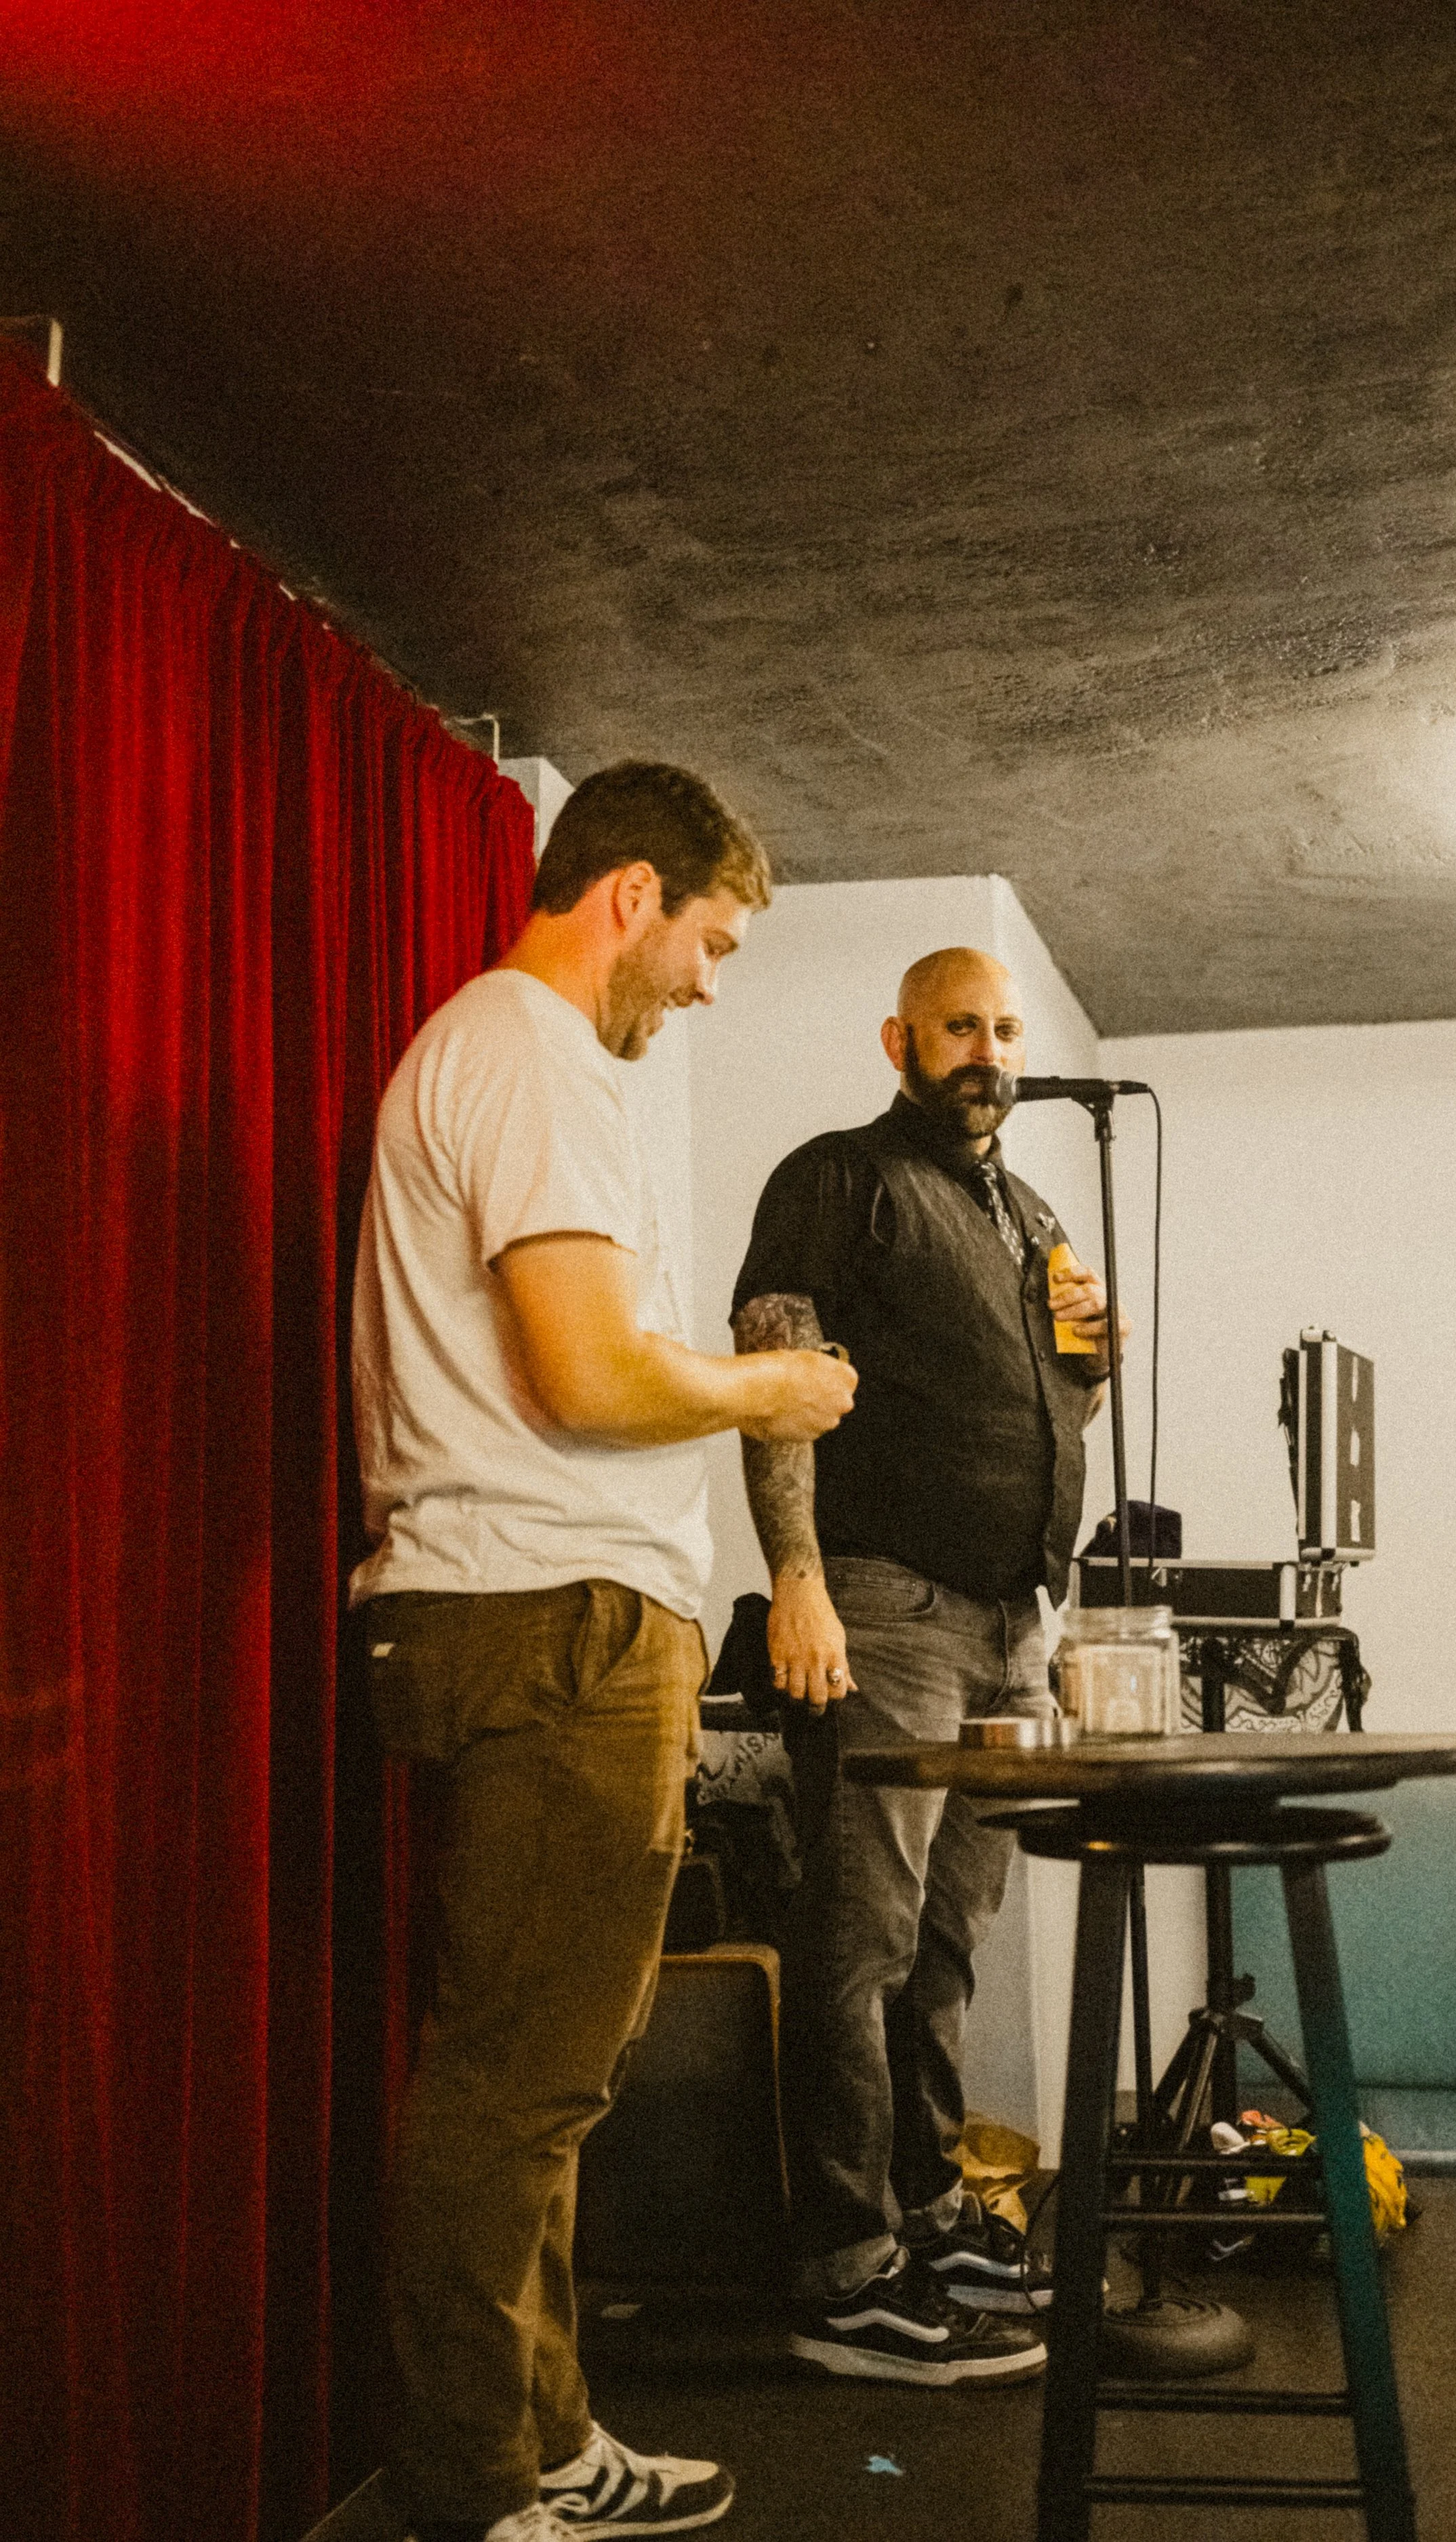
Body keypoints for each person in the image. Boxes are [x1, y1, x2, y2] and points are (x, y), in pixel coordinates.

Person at [349, 762, 857, 2542]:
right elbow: (583, 1372)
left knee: (539, 2075)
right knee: (520, 2078)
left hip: (533, 1604)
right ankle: (478, 2483)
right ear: (631, 895)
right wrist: (765, 1384)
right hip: (551, 1611)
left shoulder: (518, 1057)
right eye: (712, 939)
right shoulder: (534, 1051)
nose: (711, 981)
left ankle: (549, 2439)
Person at [729, 946, 1123, 2385]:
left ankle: (926, 2203)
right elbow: (776, 1381)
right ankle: (842, 2269)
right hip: (881, 1606)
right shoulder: (837, 1180)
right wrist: (797, 1578)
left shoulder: (1028, 1209)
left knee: (950, 1933)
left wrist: (1092, 1365)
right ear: (898, 1035)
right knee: (860, 1933)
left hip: (1011, 1617)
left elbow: (1041, 1398)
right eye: (961, 1026)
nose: (989, 1050)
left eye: (1006, 1029)